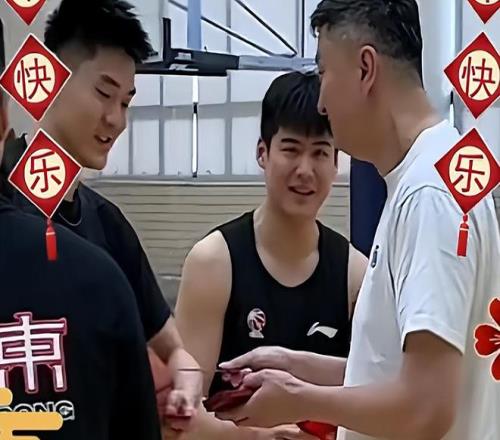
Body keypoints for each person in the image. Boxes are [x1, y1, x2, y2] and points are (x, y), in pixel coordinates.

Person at [216, 1, 500, 440]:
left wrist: (300, 399)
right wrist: (296, 366)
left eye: (324, 72)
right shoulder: (432, 176)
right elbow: (393, 374)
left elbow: (427, 408)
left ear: (366, 69)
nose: (321, 102)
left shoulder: (428, 195)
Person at [0, 0, 202, 432]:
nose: (116, 119)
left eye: (126, 102)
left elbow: (176, 352)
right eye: (104, 93)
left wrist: (185, 387)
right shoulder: (9, 203)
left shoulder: (108, 226)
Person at [173, 71, 368, 440]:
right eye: (291, 149)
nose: (305, 170)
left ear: (336, 163)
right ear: (262, 153)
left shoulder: (355, 274)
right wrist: (262, 437)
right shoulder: (213, 263)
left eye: (320, 153)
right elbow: (182, 417)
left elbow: (372, 395)